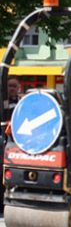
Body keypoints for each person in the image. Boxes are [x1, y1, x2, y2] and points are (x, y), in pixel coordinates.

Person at [1, 76, 21, 214]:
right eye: (10, 86)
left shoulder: (21, 103)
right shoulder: (2, 102)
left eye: (15, 86)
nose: (12, 88)